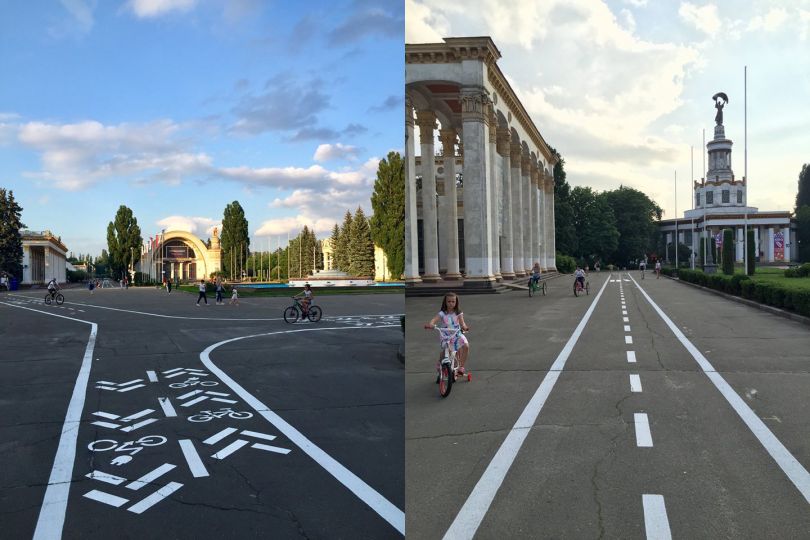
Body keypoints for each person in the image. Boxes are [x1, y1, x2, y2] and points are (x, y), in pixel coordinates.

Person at [424, 292, 470, 375]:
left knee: (466, 346)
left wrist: (464, 327)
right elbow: (434, 319)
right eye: (449, 301)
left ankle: (461, 367)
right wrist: (431, 324)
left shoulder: (458, 312)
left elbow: (462, 323)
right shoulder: (442, 313)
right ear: (445, 302)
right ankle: (440, 362)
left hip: (456, 334)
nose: (451, 303)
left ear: (456, 303)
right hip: (445, 335)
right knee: (446, 350)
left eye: (453, 301)